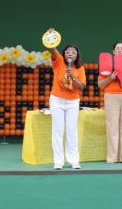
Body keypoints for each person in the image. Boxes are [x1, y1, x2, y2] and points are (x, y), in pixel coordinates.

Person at [49, 34, 86, 170]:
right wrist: (51, 37)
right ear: (64, 54)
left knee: (71, 130)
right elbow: (53, 50)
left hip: (72, 102)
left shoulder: (80, 68)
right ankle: (58, 162)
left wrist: (74, 78)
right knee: (58, 131)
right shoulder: (59, 62)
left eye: (73, 52)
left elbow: (81, 87)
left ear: (77, 56)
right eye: (68, 51)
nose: (70, 53)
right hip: (57, 100)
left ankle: (73, 161)